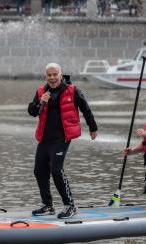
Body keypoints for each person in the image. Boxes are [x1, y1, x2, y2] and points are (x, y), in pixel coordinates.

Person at [28, 63, 98, 219]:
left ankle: (70, 206)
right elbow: (32, 112)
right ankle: (47, 205)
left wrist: (93, 128)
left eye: (55, 74)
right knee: (39, 171)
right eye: (49, 75)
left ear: (60, 75)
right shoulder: (41, 91)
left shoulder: (72, 91)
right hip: (44, 138)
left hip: (62, 138)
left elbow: (86, 109)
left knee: (56, 170)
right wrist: (40, 101)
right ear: (46, 76)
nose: (52, 78)